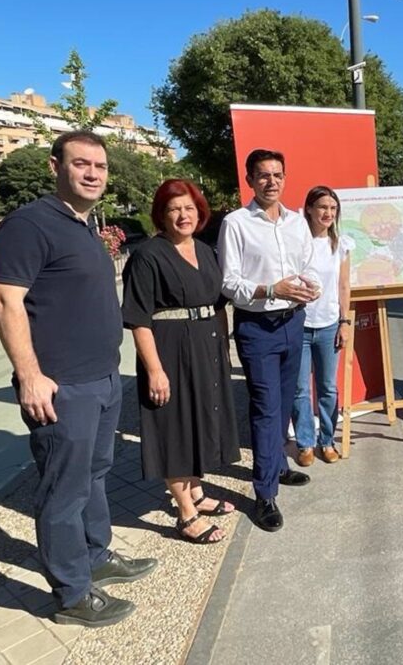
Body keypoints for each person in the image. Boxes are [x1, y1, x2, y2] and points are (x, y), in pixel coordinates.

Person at [0, 130, 157, 628]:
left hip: (102, 379)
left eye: (99, 167)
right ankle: (72, 593)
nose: (92, 174)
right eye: (81, 164)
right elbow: (6, 300)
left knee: (95, 475)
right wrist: (30, 375)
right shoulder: (29, 225)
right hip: (61, 386)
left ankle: (96, 555)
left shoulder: (82, 225)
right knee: (64, 489)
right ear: (54, 167)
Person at [121, 179, 240, 544]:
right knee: (173, 427)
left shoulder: (205, 251)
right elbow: (139, 319)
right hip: (169, 349)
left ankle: (197, 493)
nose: (182, 215)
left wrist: (223, 349)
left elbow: (219, 303)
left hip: (206, 346)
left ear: (199, 211)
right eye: (174, 209)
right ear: (162, 214)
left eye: (188, 207)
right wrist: (154, 370)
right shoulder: (148, 255)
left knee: (200, 420)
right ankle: (185, 513)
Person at [218, 148, 319, 532]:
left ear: (285, 178)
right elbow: (228, 283)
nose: (271, 181)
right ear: (250, 180)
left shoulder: (296, 222)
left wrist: (312, 289)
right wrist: (269, 290)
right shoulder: (236, 223)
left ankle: (277, 466)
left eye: (277, 174)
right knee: (264, 407)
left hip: (294, 322)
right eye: (263, 175)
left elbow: (308, 266)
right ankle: (264, 495)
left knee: (285, 401)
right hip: (257, 328)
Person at [291, 186, 352, 467]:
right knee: (300, 389)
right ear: (309, 209)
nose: (328, 213)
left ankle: (327, 440)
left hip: (329, 325)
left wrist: (344, 321)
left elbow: (343, 286)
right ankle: (305, 443)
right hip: (299, 326)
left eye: (332, 208)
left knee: (327, 388)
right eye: (322, 207)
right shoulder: (297, 242)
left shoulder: (340, 245)